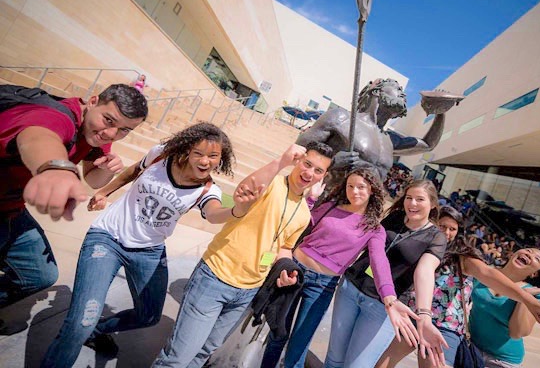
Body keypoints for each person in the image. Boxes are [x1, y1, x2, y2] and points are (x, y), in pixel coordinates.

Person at [41, 122, 239, 366]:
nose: (205, 161)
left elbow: (213, 214)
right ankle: (80, 332)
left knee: (148, 315)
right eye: (198, 153)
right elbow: (134, 170)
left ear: (221, 158)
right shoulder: (162, 155)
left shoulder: (208, 190)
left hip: (149, 252)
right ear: (188, 150)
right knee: (82, 319)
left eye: (213, 156)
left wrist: (237, 210)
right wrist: (105, 191)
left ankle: (94, 330)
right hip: (108, 238)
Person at [153, 142, 333, 368]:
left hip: (248, 291)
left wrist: (286, 267)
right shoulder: (272, 183)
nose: (309, 173)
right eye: (307, 164)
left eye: (318, 170)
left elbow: (284, 247)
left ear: (323, 177)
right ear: (298, 161)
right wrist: (281, 161)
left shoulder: (304, 214)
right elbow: (246, 189)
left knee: (204, 352)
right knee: (178, 357)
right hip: (215, 277)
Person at [0, 84, 148, 307]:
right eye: (109, 121)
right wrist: (57, 168)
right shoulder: (56, 116)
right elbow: (37, 137)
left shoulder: (95, 133)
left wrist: (107, 169)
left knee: (40, 275)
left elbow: (92, 179)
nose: (111, 134)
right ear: (92, 101)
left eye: (124, 130)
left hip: (11, 209)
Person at [260, 167, 417, 368]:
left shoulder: (374, 229)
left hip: (322, 286)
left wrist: (389, 296)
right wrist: (310, 200)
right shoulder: (330, 206)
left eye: (361, 187)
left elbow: (379, 262)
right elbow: (300, 224)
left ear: (372, 191)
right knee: (277, 334)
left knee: (299, 345)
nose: (354, 191)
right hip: (294, 270)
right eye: (350, 186)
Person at [376, 206, 540, 368]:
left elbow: (516, 330)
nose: (447, 232)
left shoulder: (465, 259)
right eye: (442, 226)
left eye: (453, 229)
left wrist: (527, 298)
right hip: (431, 324)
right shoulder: (424, 248)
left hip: (492, 354)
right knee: (384, 361)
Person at [324, 180, 448, 368]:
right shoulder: (395, 217)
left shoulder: (435, 237)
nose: (412, 204)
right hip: (351, 288)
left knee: (357, 365)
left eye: (420, 199)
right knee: (334, 358)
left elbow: (425, 271)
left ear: (432, 205)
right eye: (409, 198)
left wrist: (424, 315)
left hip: (384, 307)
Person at [297, 79, 462, 189]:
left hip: (360, 213)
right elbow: (299, 150)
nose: (403, 94)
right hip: (325, 200)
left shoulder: (390, 139)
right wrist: (330, 163)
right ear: (376, 91)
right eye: (397, 89)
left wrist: (441, 111)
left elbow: (428, 144)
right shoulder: (341, 118)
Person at [469, 247, 540, 368]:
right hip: (470, 348)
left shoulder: (534, 294)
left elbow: (517, 333)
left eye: (536, 258)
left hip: (502, 361)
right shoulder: (485, 272)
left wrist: (525, 297)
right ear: (514, 253)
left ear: (535, 273)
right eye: (528, 250)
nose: (529, 255)